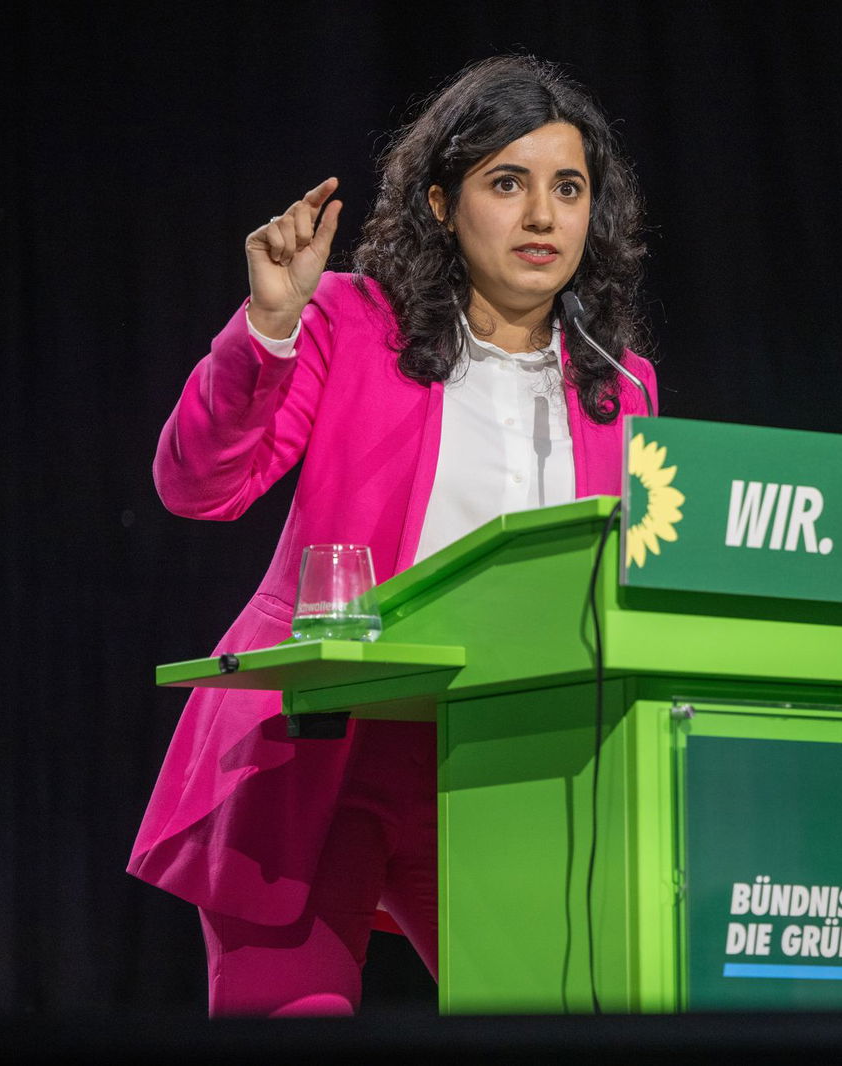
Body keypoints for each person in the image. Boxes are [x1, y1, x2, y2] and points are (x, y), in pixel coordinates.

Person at [128, 54, 657, 1018]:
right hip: (313, 751)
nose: (543, 217)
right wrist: (268, 330)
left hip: (495, 767)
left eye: (568, 189)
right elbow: (198, 486)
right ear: (443, 203)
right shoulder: (350, 324)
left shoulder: (619, 390)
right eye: (508, 183)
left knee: (568, 1017)